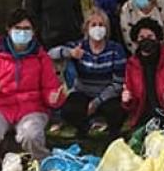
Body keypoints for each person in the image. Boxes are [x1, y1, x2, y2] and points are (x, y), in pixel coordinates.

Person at [0, 9, 65, 171]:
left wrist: (54, 98)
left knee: (31, 134)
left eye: (27, 29)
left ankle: (44, 168)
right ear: (9, 29)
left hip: (31, 108)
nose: (22, 32)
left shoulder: (40, 56)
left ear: (33, 32)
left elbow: (51, 87)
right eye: (18, 28)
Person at [54, 9, 127, 137]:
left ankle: (109, 133)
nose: (97, 28)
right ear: (86, 28)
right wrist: (70, 53)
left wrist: (97, 101)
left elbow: (118, 83)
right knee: (69, 110)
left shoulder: (116, 49)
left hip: (106, 94)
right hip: (83, 92)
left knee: (117, 111)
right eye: (93, 25)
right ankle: (85, 127)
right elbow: (51, 54)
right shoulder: (79, 46)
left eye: (101, 25)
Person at [121, 18, 164, 132]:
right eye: (141, 38)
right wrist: (127, 100)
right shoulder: (131, 65)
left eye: (150, 37)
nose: (146, 41)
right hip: (143, 118)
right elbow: (132, 103)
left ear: (158, 38)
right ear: (136, 40)